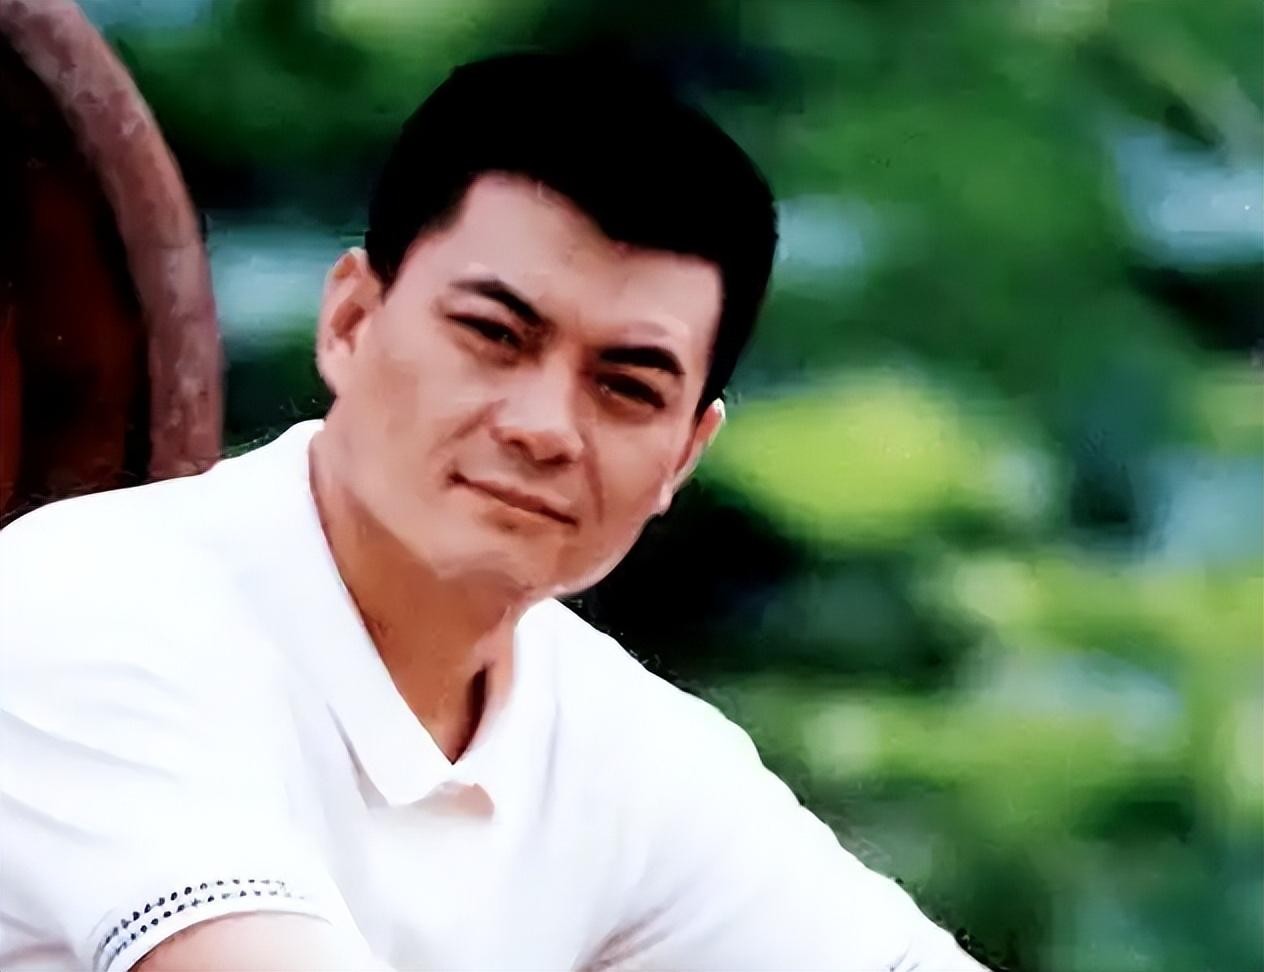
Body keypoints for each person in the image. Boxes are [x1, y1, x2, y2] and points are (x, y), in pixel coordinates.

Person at [0, 52, 990, 972]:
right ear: (351, 322)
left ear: (685, 453)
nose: (543, 427)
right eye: (493, 336)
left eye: (627, 386)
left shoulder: (622, 751)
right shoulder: (89, 607)